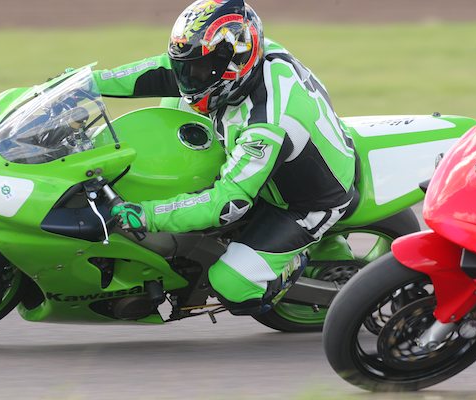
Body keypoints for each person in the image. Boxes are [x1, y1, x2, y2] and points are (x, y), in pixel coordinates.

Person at [94, 0, 356, 315]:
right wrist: (89, 84)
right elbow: (163, 69)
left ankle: (296, 261)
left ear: (234, 66)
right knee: (171, 107)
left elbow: (227, 204)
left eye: (199, 69)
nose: (189, 78)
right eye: (187, 67)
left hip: (303, 202)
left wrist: (147, 215)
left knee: (232, 284)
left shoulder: (266, 126)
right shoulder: (247, 55)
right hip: (281, 156)